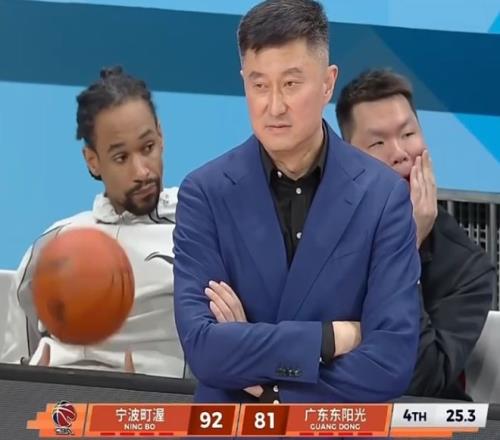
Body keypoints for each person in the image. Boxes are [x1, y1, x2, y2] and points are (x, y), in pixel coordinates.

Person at [174, 0, 421, 404]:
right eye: (259, 85)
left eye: (291, 84)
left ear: (327, 83)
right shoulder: (205, 193)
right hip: (233, 427)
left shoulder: (383, 197)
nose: (274, 106)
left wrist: (265, 379)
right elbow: (204, 349)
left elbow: (390, 362)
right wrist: (330, 338)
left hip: (335, 429)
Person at [0, 67, 185, 378]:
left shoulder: (198, 229)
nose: (142, 171)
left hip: (158, 403)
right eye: (121, 157)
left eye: (148, 147)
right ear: (93, 160)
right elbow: (18, 358)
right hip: (56, 401)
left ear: (161, 135)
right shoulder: (55, 242)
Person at [336, 68, 494, 400]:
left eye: (408, 134)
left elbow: (421, 384)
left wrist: (405, 248)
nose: (399, 153)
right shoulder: (317, 232)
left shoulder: (466, 268)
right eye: (378, 142)